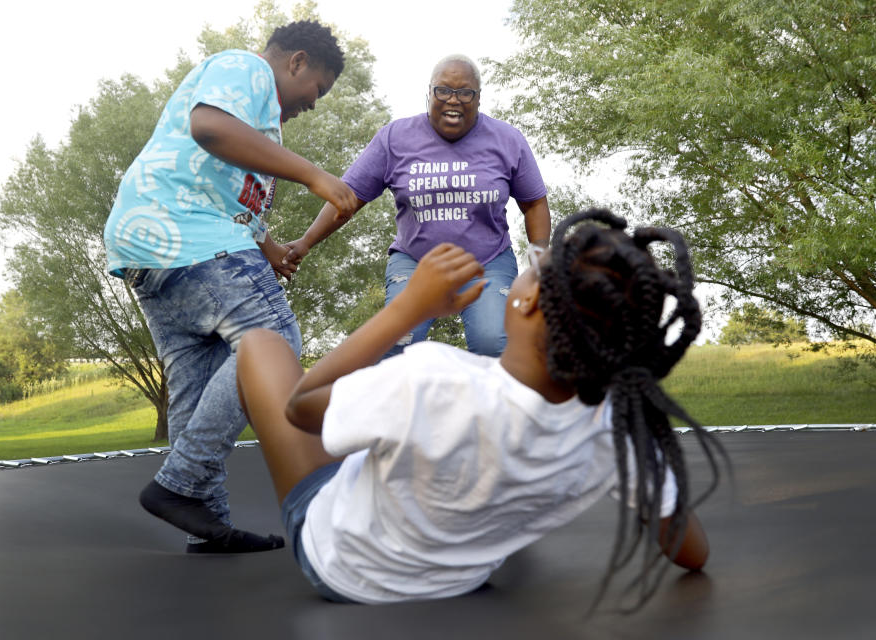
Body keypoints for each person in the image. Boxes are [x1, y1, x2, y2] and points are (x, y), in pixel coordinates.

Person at [236, 208, 727, 608]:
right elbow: (693, 550)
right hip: (461, 579)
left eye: (534, 262)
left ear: (529, 298)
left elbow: (302, 409)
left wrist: (406, 310)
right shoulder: (615, 430)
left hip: (343, 567)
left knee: (260, 346)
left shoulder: (432, 376)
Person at [102, 20, 355, 553]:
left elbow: (228, 200)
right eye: (319, 89)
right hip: (181, 232)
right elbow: (210, 127)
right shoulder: (247, 68)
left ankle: (206, 517)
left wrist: (272, 248)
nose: (314, 103)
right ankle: (180, 481)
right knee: (274, 340)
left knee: (193, 379)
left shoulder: (262, 128)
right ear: (297, 62)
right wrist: (313, 175)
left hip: (151, 248)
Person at [279, 54, 552, 358]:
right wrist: (305, 242)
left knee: (494, 343)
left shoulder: (507, 140)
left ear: (478, 98)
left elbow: (534, 203)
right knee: (397, 344)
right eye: (444, 90)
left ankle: (495, 405)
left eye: (465, 93)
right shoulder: (395, 138)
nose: (454, 100)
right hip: (414, 260)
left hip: (487, 261)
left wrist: (539, 260)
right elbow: (348, 198)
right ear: (429, 92)